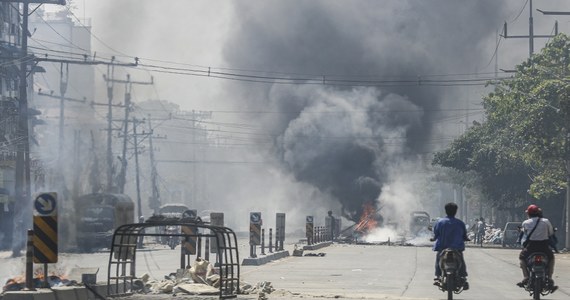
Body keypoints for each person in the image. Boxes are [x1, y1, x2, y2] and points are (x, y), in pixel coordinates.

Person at [517, 204, 557, 292]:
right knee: (551, 258)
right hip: (544, 247)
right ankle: (549, 278)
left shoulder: (526, 223)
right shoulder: (546, 221)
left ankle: (526, 277)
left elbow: (523, 235)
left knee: (522, 258)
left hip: (531, 247)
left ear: (529, 214)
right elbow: (551, 234)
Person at [432, 202, 469, 290]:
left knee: (438, 258)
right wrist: (466, 239)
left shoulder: (440, 222)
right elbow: (464, 236)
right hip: (457, 248)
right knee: (461, 260)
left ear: (446, 211)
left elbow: (436, 234)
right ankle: (463, 277)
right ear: (455, 211)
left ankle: (437, 276)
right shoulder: (460, 223)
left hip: (442, 247)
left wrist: (433, 239)